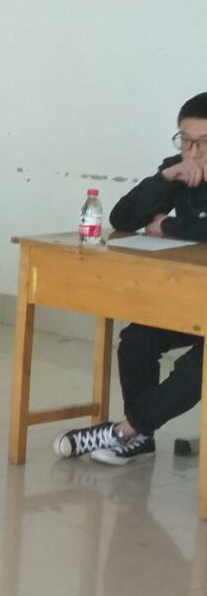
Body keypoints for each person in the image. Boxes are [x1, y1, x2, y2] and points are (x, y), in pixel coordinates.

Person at [56, 92, 207, 465]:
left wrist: (169, 226)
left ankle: (126, 430)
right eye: (185, 141)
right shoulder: (181, 170)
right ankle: (142, 436)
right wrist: (166, 177)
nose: (193, 152)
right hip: (195, 299)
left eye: (203, 143)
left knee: (200, 363)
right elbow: (123, 218)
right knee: (137, 339)